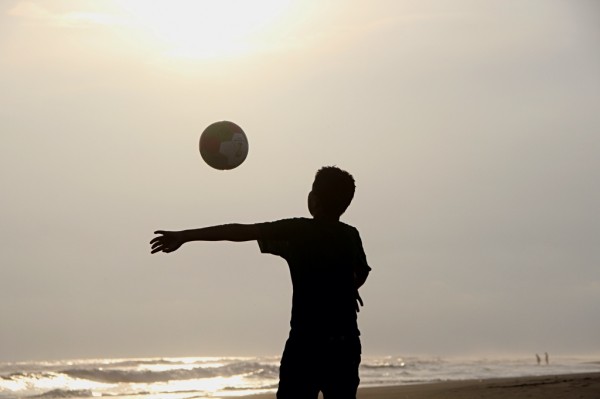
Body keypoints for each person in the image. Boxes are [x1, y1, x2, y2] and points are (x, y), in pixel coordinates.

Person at [150, 166, 371, 399]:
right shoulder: (350, 235)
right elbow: (363, 271)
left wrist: (185, 235)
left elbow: (239, 231)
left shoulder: (299, 230)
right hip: (345, 344)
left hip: (307, 343)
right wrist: (348, 287)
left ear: (313, 200)